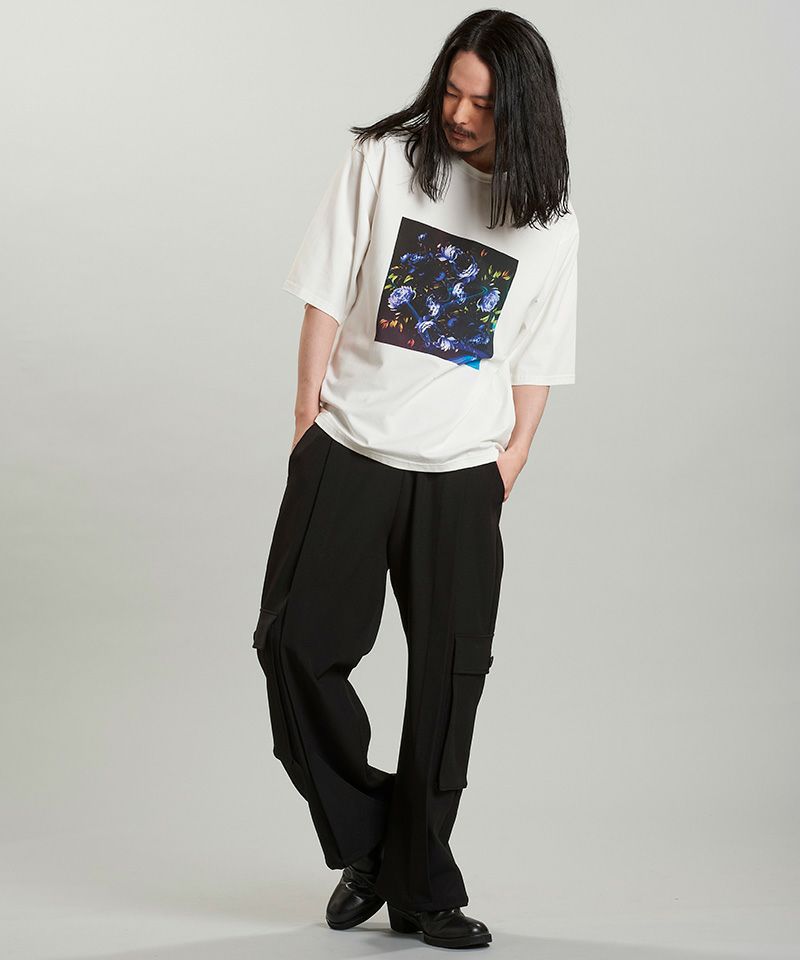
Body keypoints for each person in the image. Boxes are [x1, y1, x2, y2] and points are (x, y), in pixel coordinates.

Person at [251, 9, 579, 950]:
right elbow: (325, 289)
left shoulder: (550, 223)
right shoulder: (384, 160)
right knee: (292, 648)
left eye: (484, 104)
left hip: (463, 474)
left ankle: (422, 890)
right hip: (350, 450)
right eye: (451, 92)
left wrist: (513, 458)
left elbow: (537, 354)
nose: (460, 116)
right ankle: (375, 844)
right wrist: (306, 422)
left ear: (525, 111)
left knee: (448, 686)